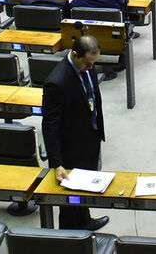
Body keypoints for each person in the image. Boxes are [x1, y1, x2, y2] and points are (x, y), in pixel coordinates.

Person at [42, 35, 107, 231]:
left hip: (90, 138)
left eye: (93, 63)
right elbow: (50, 124)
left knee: (86, 187)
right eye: (87, 63)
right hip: (70, 148)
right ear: (74, 54)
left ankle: (85, 220)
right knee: (70, 199)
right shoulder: (56, 81)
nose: (91, 67)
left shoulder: (87, 65)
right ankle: (69, 237)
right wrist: (57, 163)